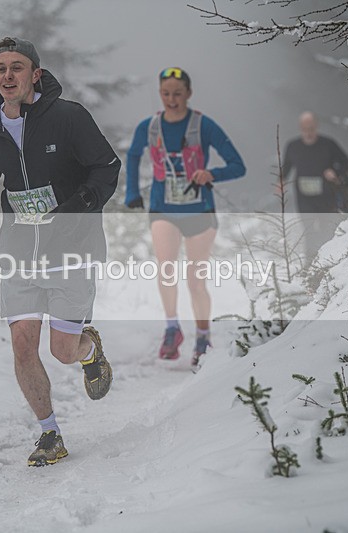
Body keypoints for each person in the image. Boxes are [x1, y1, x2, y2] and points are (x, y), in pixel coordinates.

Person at [0, 37, 121, 467]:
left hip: (71, 250)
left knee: (61, 351)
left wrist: (80, 205)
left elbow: (106, 167)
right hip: (18, 252)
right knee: (23, 347)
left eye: (16, 67)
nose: (7, 75)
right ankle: (50, 433)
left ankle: (89, 351)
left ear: (35, 75)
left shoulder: (67, 118)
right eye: (0, 68)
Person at [124, 67, 245, 369]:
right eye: (166, 93)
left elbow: (237, 165)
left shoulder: (204, 126)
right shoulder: (149, 127)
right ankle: (172, 328)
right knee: (165, 270)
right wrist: (131, 192)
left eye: (178, 93)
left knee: (195, 281)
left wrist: (211, 173)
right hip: (163, 208)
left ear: (189, 93)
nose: (172, 99)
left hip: (199, 211)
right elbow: (133, 155)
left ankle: (203, 335)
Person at [281, 112, 348, 262]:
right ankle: (310, 265)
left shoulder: (328, 144)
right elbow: (287, 166)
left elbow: (346, 162)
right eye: (305, 128)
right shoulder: (293, 146)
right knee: (308, 231)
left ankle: (329, 262)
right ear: (300, 128)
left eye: (311, 128)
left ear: (316, 127)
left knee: (326, 229)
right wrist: (280, 180)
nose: (308, 132)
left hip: (327, 195)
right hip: (304, 196)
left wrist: (335, 171)